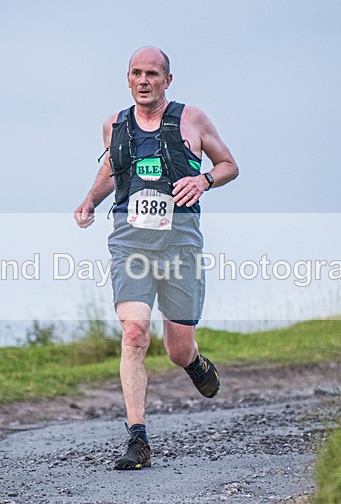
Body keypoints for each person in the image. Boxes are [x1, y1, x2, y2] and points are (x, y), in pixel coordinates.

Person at [74, 46, 239, 470]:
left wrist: (204, 180)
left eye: (152, 74)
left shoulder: (192, 119)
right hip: (130, 242)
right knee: (134, 334)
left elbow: (228, 165)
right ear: (127, 78)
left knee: (176, 349)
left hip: (180, 244)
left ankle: (195, 362)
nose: (143, 80)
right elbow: (112, 170)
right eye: (136, 73)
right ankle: (138, 438)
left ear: (167, 80)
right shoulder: (115, 125)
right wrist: (90, 201)